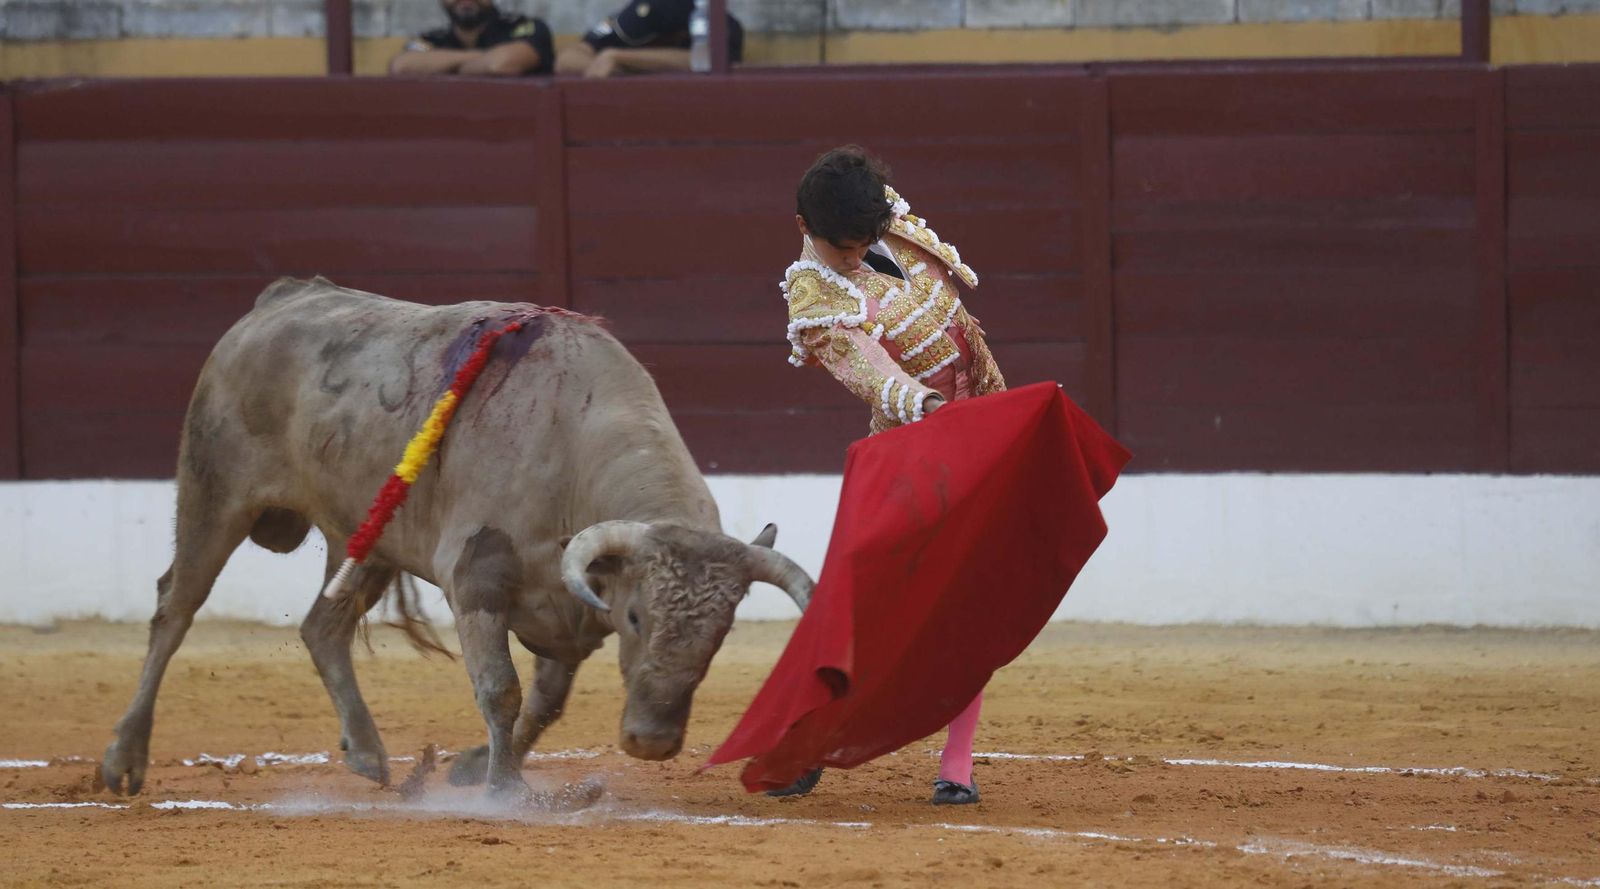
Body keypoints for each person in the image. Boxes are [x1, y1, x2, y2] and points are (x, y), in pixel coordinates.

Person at [771, 145, 1006, 805]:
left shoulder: (886, 220)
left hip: (984, 426)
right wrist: (923, 403)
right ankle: (806, 737)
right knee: (864, 605)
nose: (854, 257)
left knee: (972, 599)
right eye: (842, 248)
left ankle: (957, 765)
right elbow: (867, 368)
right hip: (911, 450)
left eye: (862, 243)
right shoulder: (815, 294)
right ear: (804, 228)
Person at [555, 0, 744, 78]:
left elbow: (705, 61)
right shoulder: (635, 12)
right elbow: (566, 59)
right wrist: (603, 65)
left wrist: (620, 58)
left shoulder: (719, 24)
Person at [388, 0, 553, 77]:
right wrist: (479, 60)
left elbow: (499, 64)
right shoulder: (431, 39)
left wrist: (443, 65)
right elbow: (402, 65)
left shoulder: (524, 27)